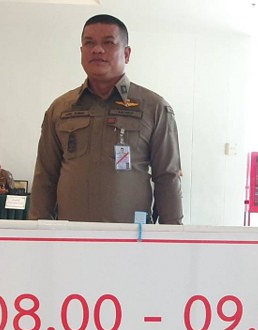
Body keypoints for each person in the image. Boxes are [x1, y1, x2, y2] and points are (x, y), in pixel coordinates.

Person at [30, 14, 183, 224]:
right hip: (71, 237)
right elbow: (45, 176)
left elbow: (168, 176)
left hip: (132, 237)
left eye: (108, 43)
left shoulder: (154, 108)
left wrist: (171, 234)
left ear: (126, 54)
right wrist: (37, 231)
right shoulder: (60, 109)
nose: (97, 49)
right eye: (89, 43)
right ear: (81, 52)